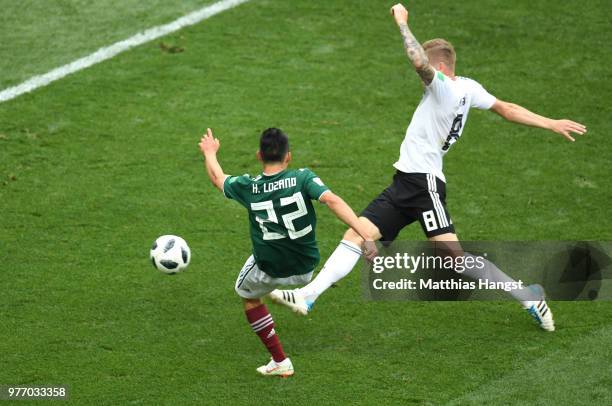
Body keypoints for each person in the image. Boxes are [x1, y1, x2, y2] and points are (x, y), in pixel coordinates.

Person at [270, 3, 587, 332]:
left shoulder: (445, 88)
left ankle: (529, 296)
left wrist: (403, 24)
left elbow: (418, 61)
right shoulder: (468, 87)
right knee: (357, 234)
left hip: (424, 186)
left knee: (456, 259)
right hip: (405, 183)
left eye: (429, 72)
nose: (423, 78)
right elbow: (506, 108)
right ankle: (308, 296)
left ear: (440, 68)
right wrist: (550, 122)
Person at [199, 127, 376, 377]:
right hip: (305, 270)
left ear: (259, 155)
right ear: (288, 156)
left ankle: (280, 360)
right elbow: (333, 200)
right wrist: (365, 236)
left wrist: (209, 152)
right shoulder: (303, 178)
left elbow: (218, 179)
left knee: (247, 296)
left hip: (269, 269)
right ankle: (297, 296)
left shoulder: (248, 186)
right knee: (276, 267)